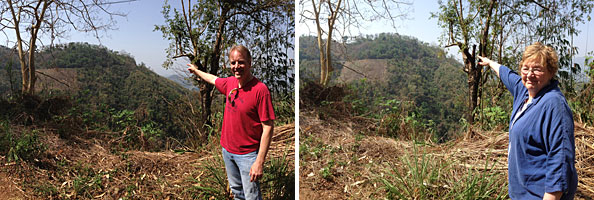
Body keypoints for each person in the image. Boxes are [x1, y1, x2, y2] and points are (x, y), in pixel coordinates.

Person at [477, 42, 577, 200]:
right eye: (525, 68)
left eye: (537, 69)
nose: (529, 74)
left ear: (551, 72)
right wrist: (490, 63)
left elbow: (560, 161)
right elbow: (506, 74)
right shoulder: (524, 91)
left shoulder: (553, 105)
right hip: (520, 194)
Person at [187, 45, 275, 200]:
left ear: (249, 62)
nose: (236, 67)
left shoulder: (260, 90)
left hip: (248, 155)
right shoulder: (230, 83)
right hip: (228, 151)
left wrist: (259, 161)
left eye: (241, 62)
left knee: (252, 197)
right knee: (237, 193)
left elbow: (267, 127)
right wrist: (196, 71)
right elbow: (213, 79)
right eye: (233, 63)